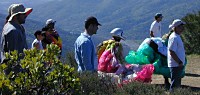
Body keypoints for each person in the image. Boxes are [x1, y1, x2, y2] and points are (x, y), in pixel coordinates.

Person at [167, 19, 186, 92]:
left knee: (177, 84)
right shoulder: (174, 38)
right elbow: (172, 52)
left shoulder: (177, 36)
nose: (182, 28)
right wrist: (179, 62)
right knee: (175, 85)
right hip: (176, 65)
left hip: (178, 65)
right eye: (181, 27)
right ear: (176, 27)